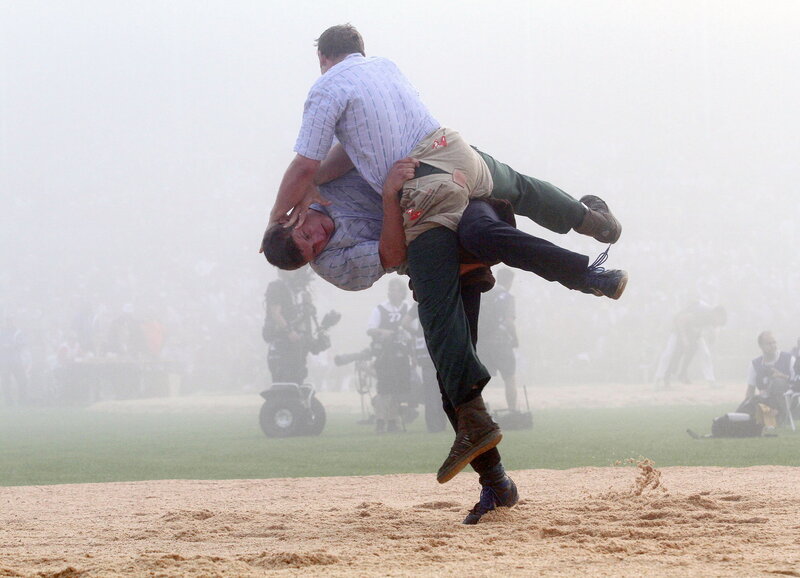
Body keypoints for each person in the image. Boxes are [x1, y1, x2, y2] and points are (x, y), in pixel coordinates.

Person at [264, 24, 624, 514]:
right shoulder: (383, 71)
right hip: (442, 174)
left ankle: (588, 273)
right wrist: (384, 193)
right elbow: (370, 211)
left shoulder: (329, 98)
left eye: (305, 233)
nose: (315, 240)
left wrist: (286, 204)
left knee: (451, 305)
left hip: (436, 202)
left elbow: (321, 165)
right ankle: (496, 481)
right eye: (309, 248)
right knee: (452, 361)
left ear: (323, 60)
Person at [262, 269, 333, 385]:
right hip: (283, 347)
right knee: (285, 386)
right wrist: (289, 331)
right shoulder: (277, 287)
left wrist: (320, 332)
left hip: (298, 348)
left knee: (298, 382)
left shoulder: (300, 293)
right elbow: (275, 313)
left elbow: (305, 323)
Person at [366, 279, 413, 433]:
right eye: (391, 290)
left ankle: (392, 421)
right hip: (385, 355)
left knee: (396, 389)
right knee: (384, 389)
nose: (394, 293)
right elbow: (371, 330)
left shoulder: (408, 308)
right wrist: (384, 332)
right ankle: (380, 420)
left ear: (402, 292)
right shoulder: (380, 309)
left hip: (402, 354)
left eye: (397, 290)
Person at [653, 301, 727, 389]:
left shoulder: (712, 317)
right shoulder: (702, 313)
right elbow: (680, 320)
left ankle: (711, 382)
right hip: (678, 328)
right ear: (716, 314)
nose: (719, 322)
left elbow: (713, 330)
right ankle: (657, 380)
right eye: (720, 318)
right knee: (668, 353)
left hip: (692, 331)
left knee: (705, 354)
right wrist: (684, 338)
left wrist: (713, 336)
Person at [479, 268, 520, 412]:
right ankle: (512, 410)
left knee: (481, 379)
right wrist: (515, 339)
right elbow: (509, 322)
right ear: (510, 281)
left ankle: (480, 411)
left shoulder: (486, 295)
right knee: (509, 377)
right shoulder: (507, 297)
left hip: (483, 342)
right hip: (501, 342)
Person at [739, 331, 797, 430]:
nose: (773, 346)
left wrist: (783, 376)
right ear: (761, 346)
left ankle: (776, 419)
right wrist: (746, 404)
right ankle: (736, 422)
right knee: (749, 404)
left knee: (778, 382)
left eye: (774, 342)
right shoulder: (755, 364)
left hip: (789, 402)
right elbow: (750, 390)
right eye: (769, 343)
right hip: (765, 402)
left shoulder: (789, 359)